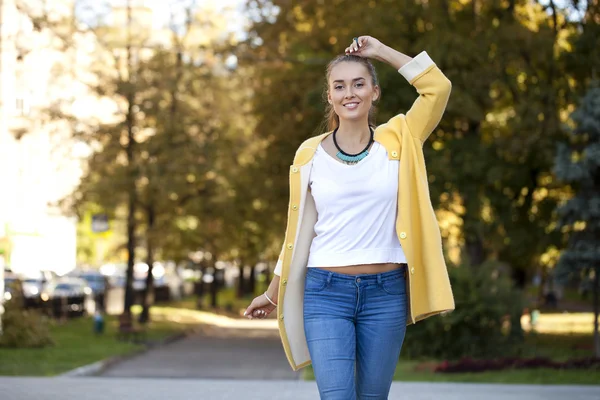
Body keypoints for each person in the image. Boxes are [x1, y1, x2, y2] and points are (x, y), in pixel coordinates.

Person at [245, 35, 455, 399]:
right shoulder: (308, 154)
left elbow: (437, 88)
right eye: (339, 86)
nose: (349, 93)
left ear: (375, 91)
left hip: (386, 293)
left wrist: (380, 52)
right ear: (330, 96)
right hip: (325, 293)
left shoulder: (400, 137)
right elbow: (297, 232)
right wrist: (273, 292)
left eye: (359, 83)